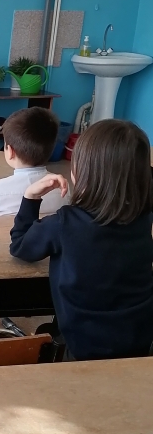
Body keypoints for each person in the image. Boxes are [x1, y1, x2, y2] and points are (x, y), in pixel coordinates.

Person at [10, 118, 153, 361]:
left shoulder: (64, 224)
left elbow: (20, 246)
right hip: (138, 341)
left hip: (82, 346)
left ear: (82, 174)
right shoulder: (143, 219)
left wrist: (30, 197)